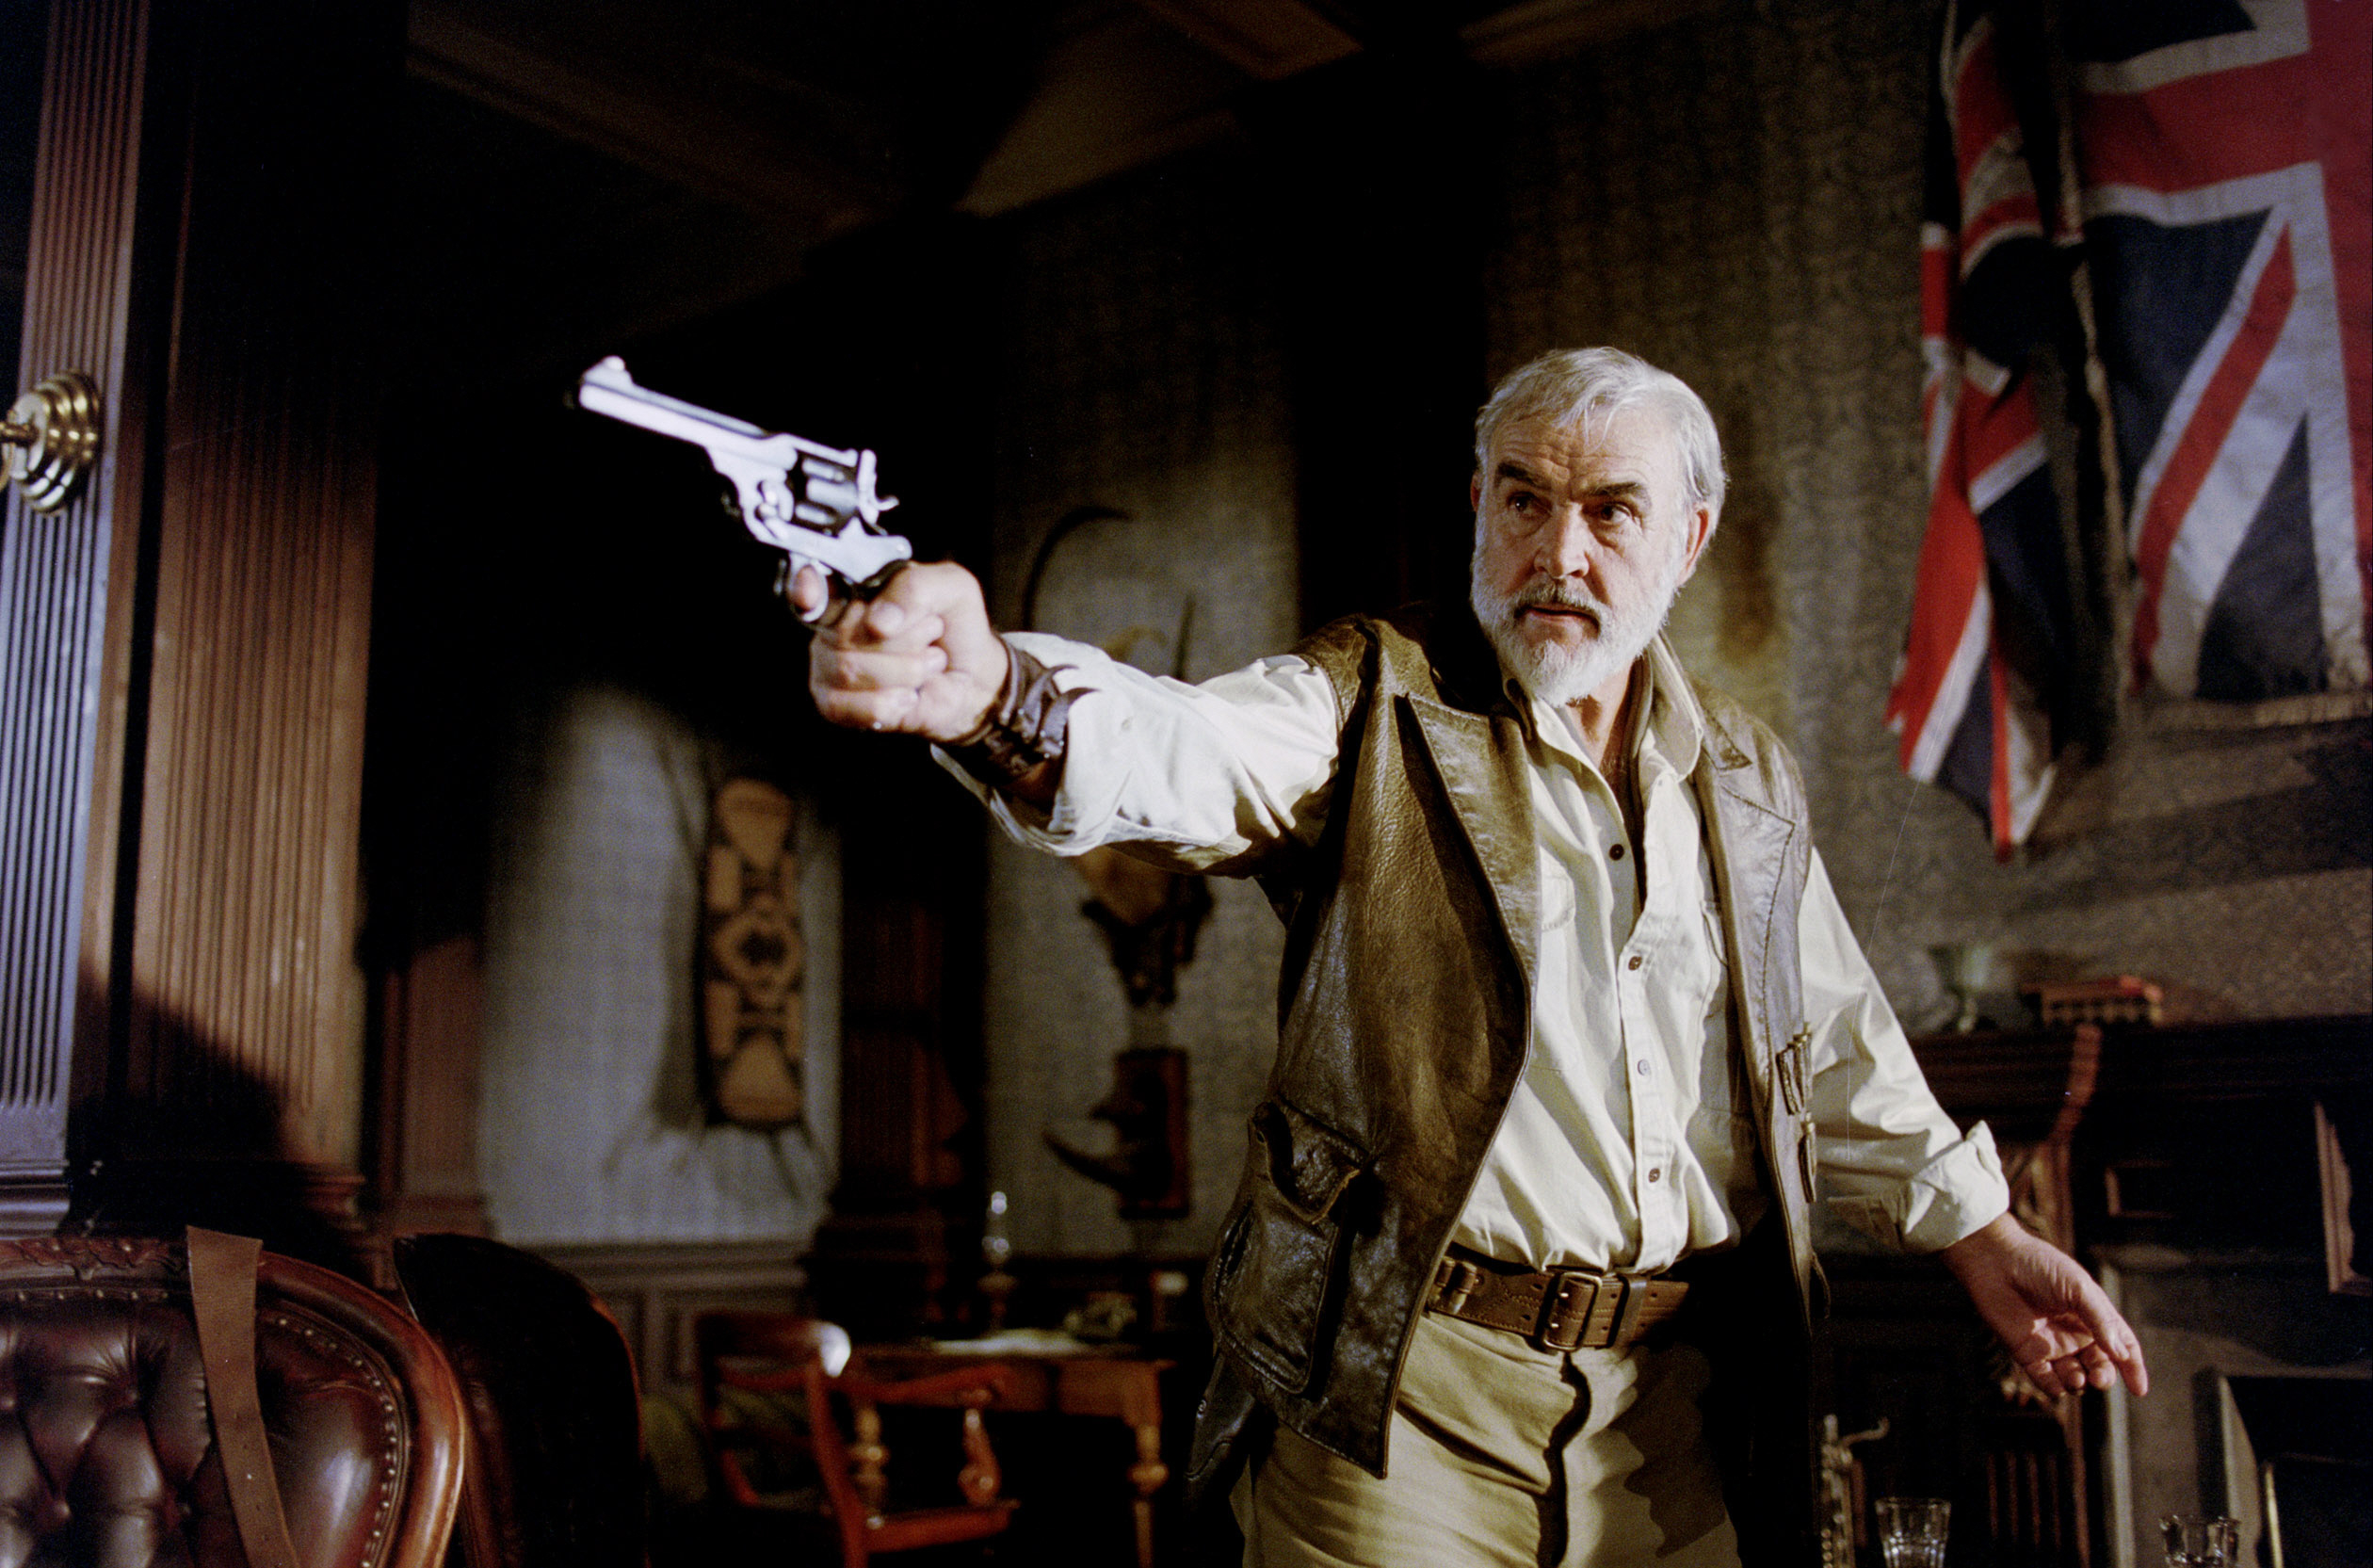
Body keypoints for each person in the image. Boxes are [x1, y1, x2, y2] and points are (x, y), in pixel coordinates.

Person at [797, 348, 2148, 1567]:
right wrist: (996, 698)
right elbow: (1191, 746)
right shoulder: (1378, 701)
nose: (1558, 548)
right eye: (1522, 499)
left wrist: (1983, 1232)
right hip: (1399, 1402)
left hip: (1670, 1418)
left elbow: (1833, 1045)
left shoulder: (1741, 774)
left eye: (1610, 508)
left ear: (1688, 537)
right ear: (1478, 510)